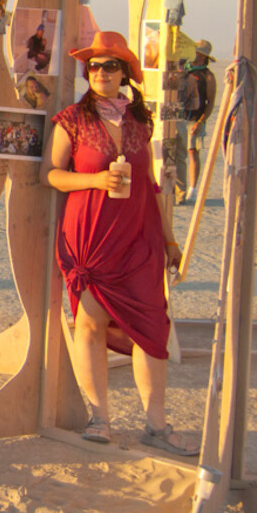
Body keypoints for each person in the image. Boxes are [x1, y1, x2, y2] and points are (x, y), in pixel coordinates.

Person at [40, 31, 198, 456]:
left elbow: (150, 184)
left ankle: (156, 425)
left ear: (125, 71)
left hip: (139, 236)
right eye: (94, 66)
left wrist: (169, 240)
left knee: (152, 327)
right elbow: (52, 174)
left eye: (110, 65)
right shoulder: (71, 119)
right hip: (91, 237)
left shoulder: (140, 121)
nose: (101, 72)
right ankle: (100, 418)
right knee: (89, 323)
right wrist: (94, 180)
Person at [184, 40, 218, 203]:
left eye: (199, 53)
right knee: (174, 151)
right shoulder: (183, 69)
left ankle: (193, 188)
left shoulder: (208, 76)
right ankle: (178, 188)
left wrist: (201, 121)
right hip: (178, 116)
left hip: (195, 118)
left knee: (192, 151)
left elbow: (210, 102)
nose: (196, 55)